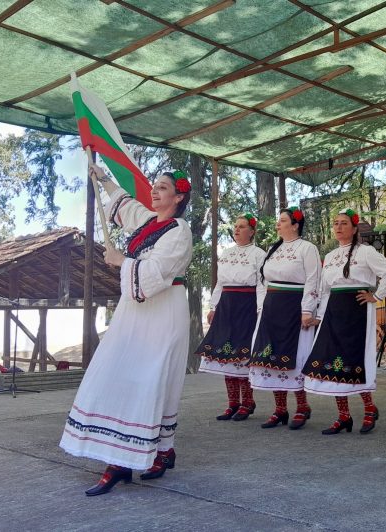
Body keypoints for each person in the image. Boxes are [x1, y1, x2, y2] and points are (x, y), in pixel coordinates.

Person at [59, 163, 192, 496]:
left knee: (150, 379)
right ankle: (144, 453)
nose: (155, 191)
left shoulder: (179, 230)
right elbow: (123, 202)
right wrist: (102, 177)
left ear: (177, 197)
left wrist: (123, 261)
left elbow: (160, 271)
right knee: (116, 372)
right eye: (155, 186)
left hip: (163, 312)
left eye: (162, 187)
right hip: (134, 312)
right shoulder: (148, 222)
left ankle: (131, 459)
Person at [303, 209, 386, 434]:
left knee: (357, 360)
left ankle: (368, 409)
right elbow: (324, 290)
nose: (338, 227)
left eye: (344, 223)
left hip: (356, 310)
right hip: (334, 312)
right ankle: (344, 416)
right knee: (333, 361)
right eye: (335, 223)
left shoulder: (366, 252)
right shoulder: (331, 257)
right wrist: (321, 315)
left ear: (354, 229)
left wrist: (375, 296)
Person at [248, 207, 321, 430]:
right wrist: (262, 307)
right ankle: (280, 409)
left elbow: (313, 279)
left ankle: (302, 407)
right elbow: (263, 280)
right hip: (272, 308)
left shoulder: (307, 248)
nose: (277, 224)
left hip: (294, 307)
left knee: (295, 356)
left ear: (295, 224)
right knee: (271, 356)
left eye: (282, 220)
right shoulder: (273, 249)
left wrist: (307, 310)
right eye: (278, 220)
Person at [195, 214, 265, 421]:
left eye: (242, 227)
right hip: (226, 305)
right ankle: (232, 403)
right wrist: (213, 306)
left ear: (251, 231)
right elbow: (219, 282)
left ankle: (248, 402)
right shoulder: (226, 253)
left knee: (242, 355)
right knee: (225, 355)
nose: (236, 230)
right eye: (235, 226)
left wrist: (260, 309)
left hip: (246, 305)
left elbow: (262, 284)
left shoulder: (258, 254)